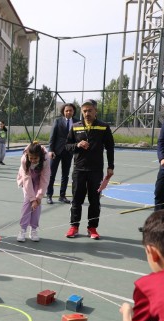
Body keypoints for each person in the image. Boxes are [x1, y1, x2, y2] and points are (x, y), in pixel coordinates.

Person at [65, 99, 114, 240]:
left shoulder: (103, 127)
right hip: (79, 170)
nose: (87, 113)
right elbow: (67, 146)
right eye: (84, 111)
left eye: (90, 110)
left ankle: (92, 228)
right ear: (82, 112)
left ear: (95, 111)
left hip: (96, 170)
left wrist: (111, 166)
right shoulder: (75, 127)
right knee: (76, 200)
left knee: (94, 200)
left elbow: (110, 147)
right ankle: (74, 227)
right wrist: (77, 145)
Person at [16, 142, 51, 242]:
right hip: (28, 179)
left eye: (35, 158)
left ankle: (34, 229)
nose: (33, 160)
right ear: (27, 155)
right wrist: (32, 199)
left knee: (37, 204)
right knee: (28, 202)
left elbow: (45, 179)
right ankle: (22, 229)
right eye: (31, 158)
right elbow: (26, 179)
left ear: (40, 156)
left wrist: (39, 196)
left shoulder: (46, 159)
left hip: (39, 179)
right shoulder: (24, 159)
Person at [47, 103, 78, 204]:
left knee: (65, 175)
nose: (68, 112)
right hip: (56, 152)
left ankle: (62, 196)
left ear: (73, 112)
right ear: (63, 112)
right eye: (66, 110)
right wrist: (51, 150)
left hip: (69, 152)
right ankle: (49, 195)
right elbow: (52, 136)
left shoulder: (77, 122)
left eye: (70, 110)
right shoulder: (57, 121)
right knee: (51, 174)